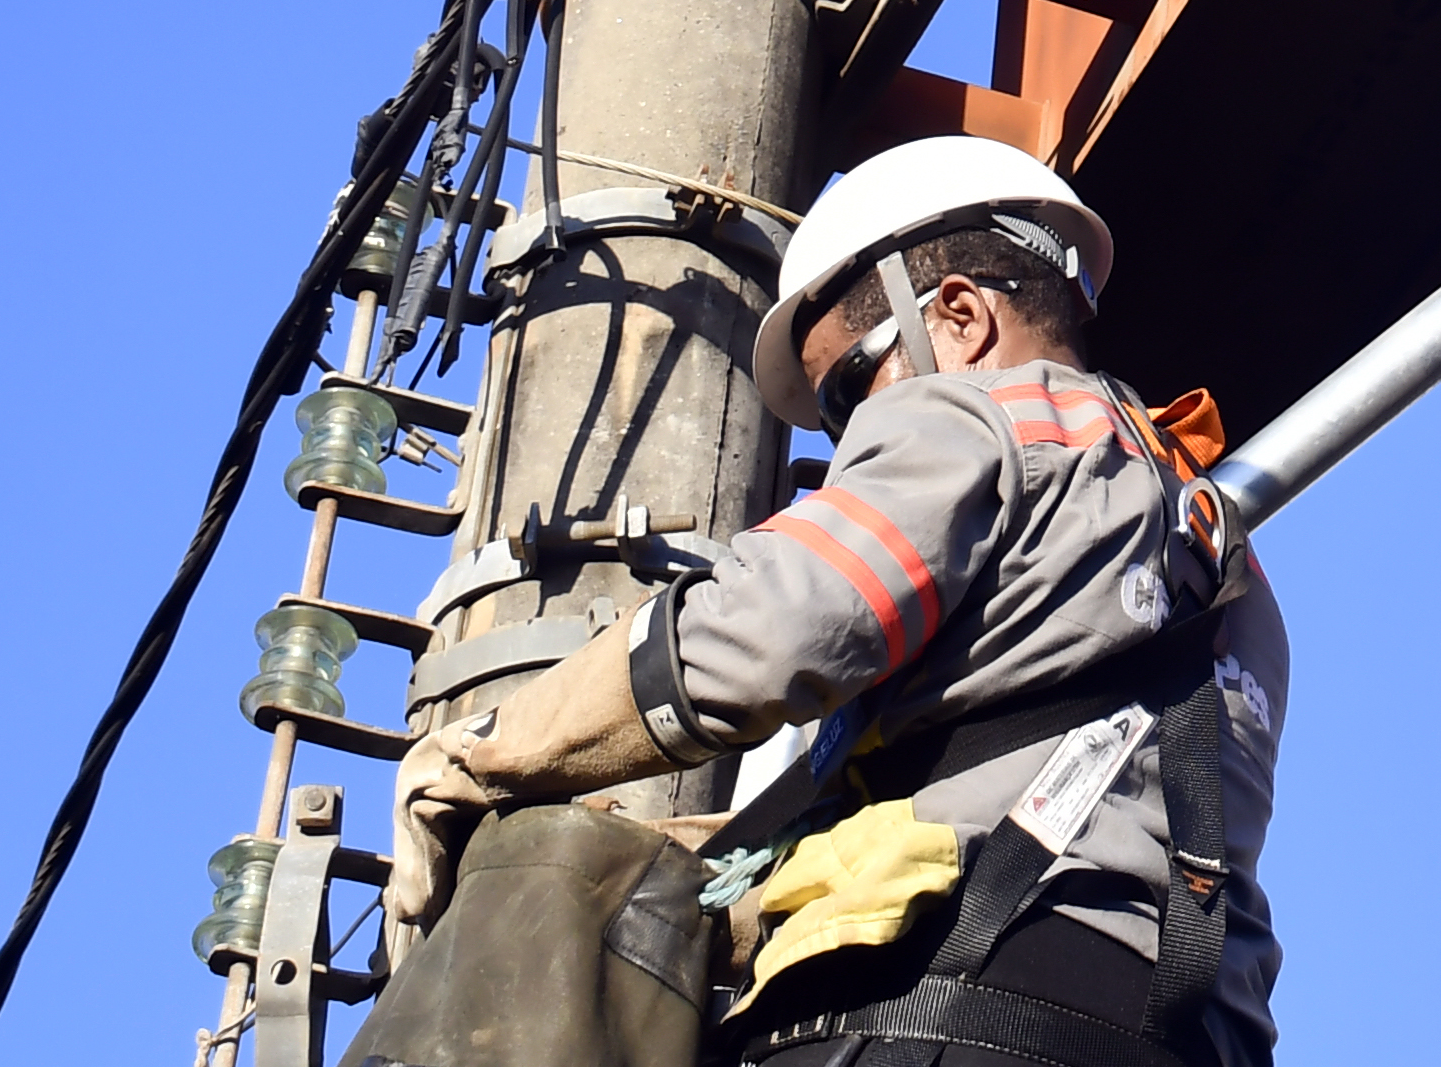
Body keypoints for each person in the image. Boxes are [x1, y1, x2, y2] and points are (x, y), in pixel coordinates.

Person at [381, 138, 1291, 1067]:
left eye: (852, 389)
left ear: (963, 317)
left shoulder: (981, 417)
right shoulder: (1215, 560)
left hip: (941, 1009)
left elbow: (770, 626)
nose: (850, 437)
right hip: (1188, 1023)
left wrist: (484, 753)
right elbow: (999, 782)